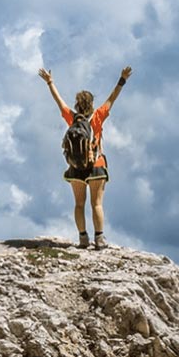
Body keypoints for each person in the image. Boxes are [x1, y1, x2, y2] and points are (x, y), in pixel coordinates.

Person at [38, 66, 132, 249]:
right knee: (96, 204)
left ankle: (82, 238)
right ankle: (99, 239)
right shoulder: (98, 117)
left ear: (77, 105)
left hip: (76, 167)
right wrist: (122, 79)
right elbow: (112, 98)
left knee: (79, 204)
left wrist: (50, 82)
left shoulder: (72, 119)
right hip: (96, 165)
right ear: (91, 105)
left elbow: (59, 101)